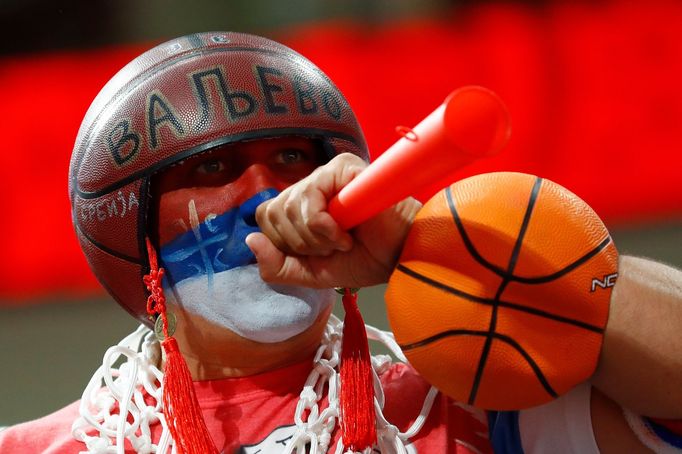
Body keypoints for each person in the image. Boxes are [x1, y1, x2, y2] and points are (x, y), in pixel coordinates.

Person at [0, 31, 680, 454]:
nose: (267, 194)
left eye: (297, 158)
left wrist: (426, 246)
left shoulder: (470, 403)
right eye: (212, 168)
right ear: (131, 234)